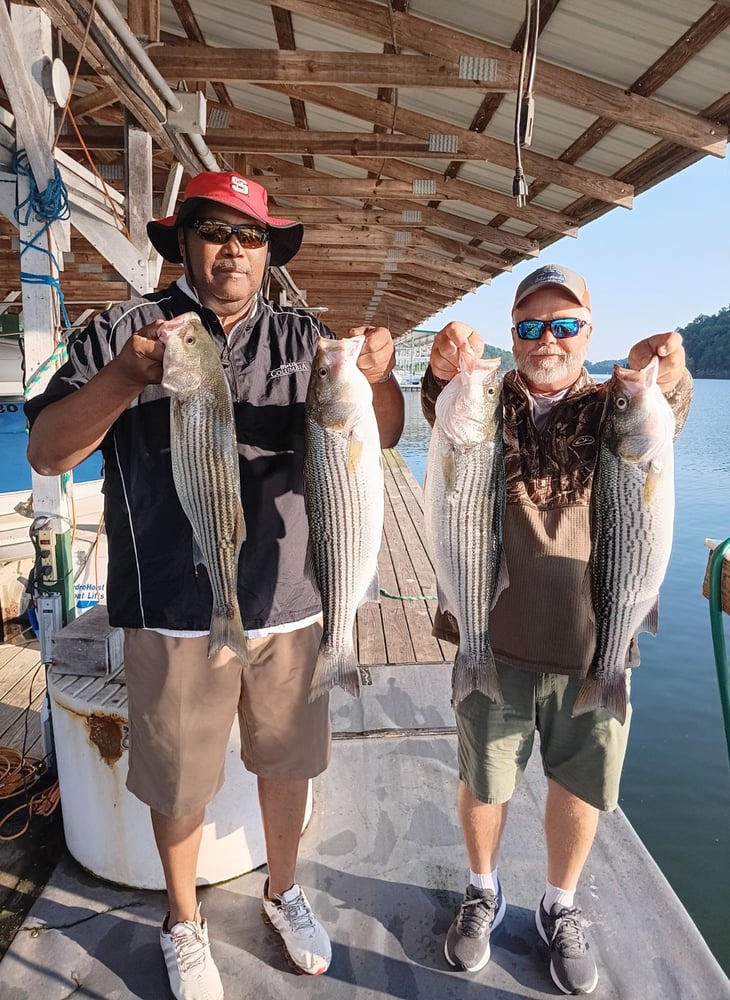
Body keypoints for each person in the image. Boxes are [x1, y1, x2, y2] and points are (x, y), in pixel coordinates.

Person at [25, 170, 404, 1000]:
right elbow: (48, 452)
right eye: (214, 231)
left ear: (269, 252)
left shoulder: (306, 338)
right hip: (170, 606)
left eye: (251, 235)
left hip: (294, 603)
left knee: (287, 761)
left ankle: (284, 889)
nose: (233, 248)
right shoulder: (123, 331)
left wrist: (376, 375)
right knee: (180, 777)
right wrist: (125, 380)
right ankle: (183, 920)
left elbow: (382, 433)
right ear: (184, 241)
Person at [421, 264, 692, 995]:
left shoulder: (613, 408)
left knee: (578, 785)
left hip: (595, 640)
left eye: (565, 324)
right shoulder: (490, 400)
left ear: (587, 333)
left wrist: (669, 370)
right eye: (533, 326)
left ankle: (558, 907)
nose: (549, 338)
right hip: (494, 638)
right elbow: (444, 406)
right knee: (484, 780)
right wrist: (445, 366)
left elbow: (666, 408)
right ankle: (483, 891)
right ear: (513, 337)